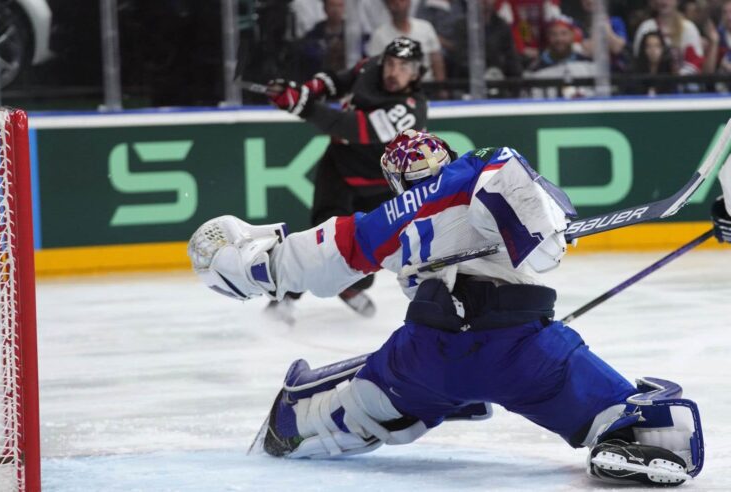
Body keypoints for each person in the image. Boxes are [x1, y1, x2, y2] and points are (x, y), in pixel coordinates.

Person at [188, 130, 706, 486]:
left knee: (344, 411)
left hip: (424, 360)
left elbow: (297, 263)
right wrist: (544, 230)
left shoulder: (379, 221)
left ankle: (302, 421)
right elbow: (533, 217)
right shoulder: (479, 167)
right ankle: (623, 444)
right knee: (652, 427)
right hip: (524, 352)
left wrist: (240, 261)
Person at [265, 37, 429, 321]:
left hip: (380, 184)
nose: (393, 72)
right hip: (338, 169)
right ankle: (287, 297)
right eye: (390, 63)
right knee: (319, 241)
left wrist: (302, 105)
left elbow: (351, 128)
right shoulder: (370, 67)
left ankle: (351, 287)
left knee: (366, 252)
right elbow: (336, 81)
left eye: (403, 67)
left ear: (416, 73)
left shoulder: (411, 109)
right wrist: (305, 91)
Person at [366, 0, 447, 85]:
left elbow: (437, 62)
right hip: (394, 91)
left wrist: (441, 90)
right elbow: (374, 69)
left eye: (402, 1)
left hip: (426, 88)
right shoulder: (379, 35)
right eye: (392, 2)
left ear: (409, 2)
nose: (398, 5)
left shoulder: (426, 28)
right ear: (387, 5)